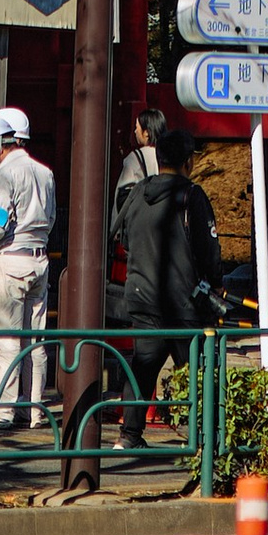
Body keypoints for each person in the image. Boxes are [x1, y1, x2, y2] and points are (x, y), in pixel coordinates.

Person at [106, 126, 222, 447]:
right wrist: (215, 286)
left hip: (142, 296)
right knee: (197, 370)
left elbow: (123, 237)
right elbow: (208, 250)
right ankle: (207, 439)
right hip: (183, 302)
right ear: (188, 162)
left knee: (143, 365)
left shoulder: (138, 193)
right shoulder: (192, 195)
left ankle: (129, 435)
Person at [0, 103, 58, 427]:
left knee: (6, 339)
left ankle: (3, 411)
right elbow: (50, 218)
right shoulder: (45, 172)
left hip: (10, 260)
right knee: (35, 342)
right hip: (40, 260)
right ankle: (35, 410)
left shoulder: (5, 174)